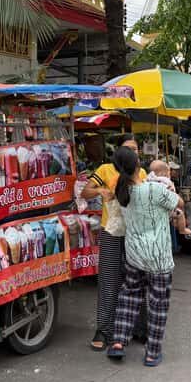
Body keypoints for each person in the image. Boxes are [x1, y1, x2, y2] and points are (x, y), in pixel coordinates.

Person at [105, 147, 183, 367]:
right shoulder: (153, 190)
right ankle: (152, 352)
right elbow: (179, 204)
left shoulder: (122, 193)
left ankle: (119, 342)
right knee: (158, 303)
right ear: (138, 165)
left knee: (130, 295)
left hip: (134, 254)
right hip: (158, 256)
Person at [81, 134, 147, 350]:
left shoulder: (141, 173)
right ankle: (104, 329)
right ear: (118, 152)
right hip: (111, 232)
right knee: (109, 281)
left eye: (136, 149)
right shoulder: (105, 170)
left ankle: (139, 327)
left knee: (136, 280)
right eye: (129, 149)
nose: (133, 153)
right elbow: (85, 192)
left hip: (135, 233)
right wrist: (100, 190)